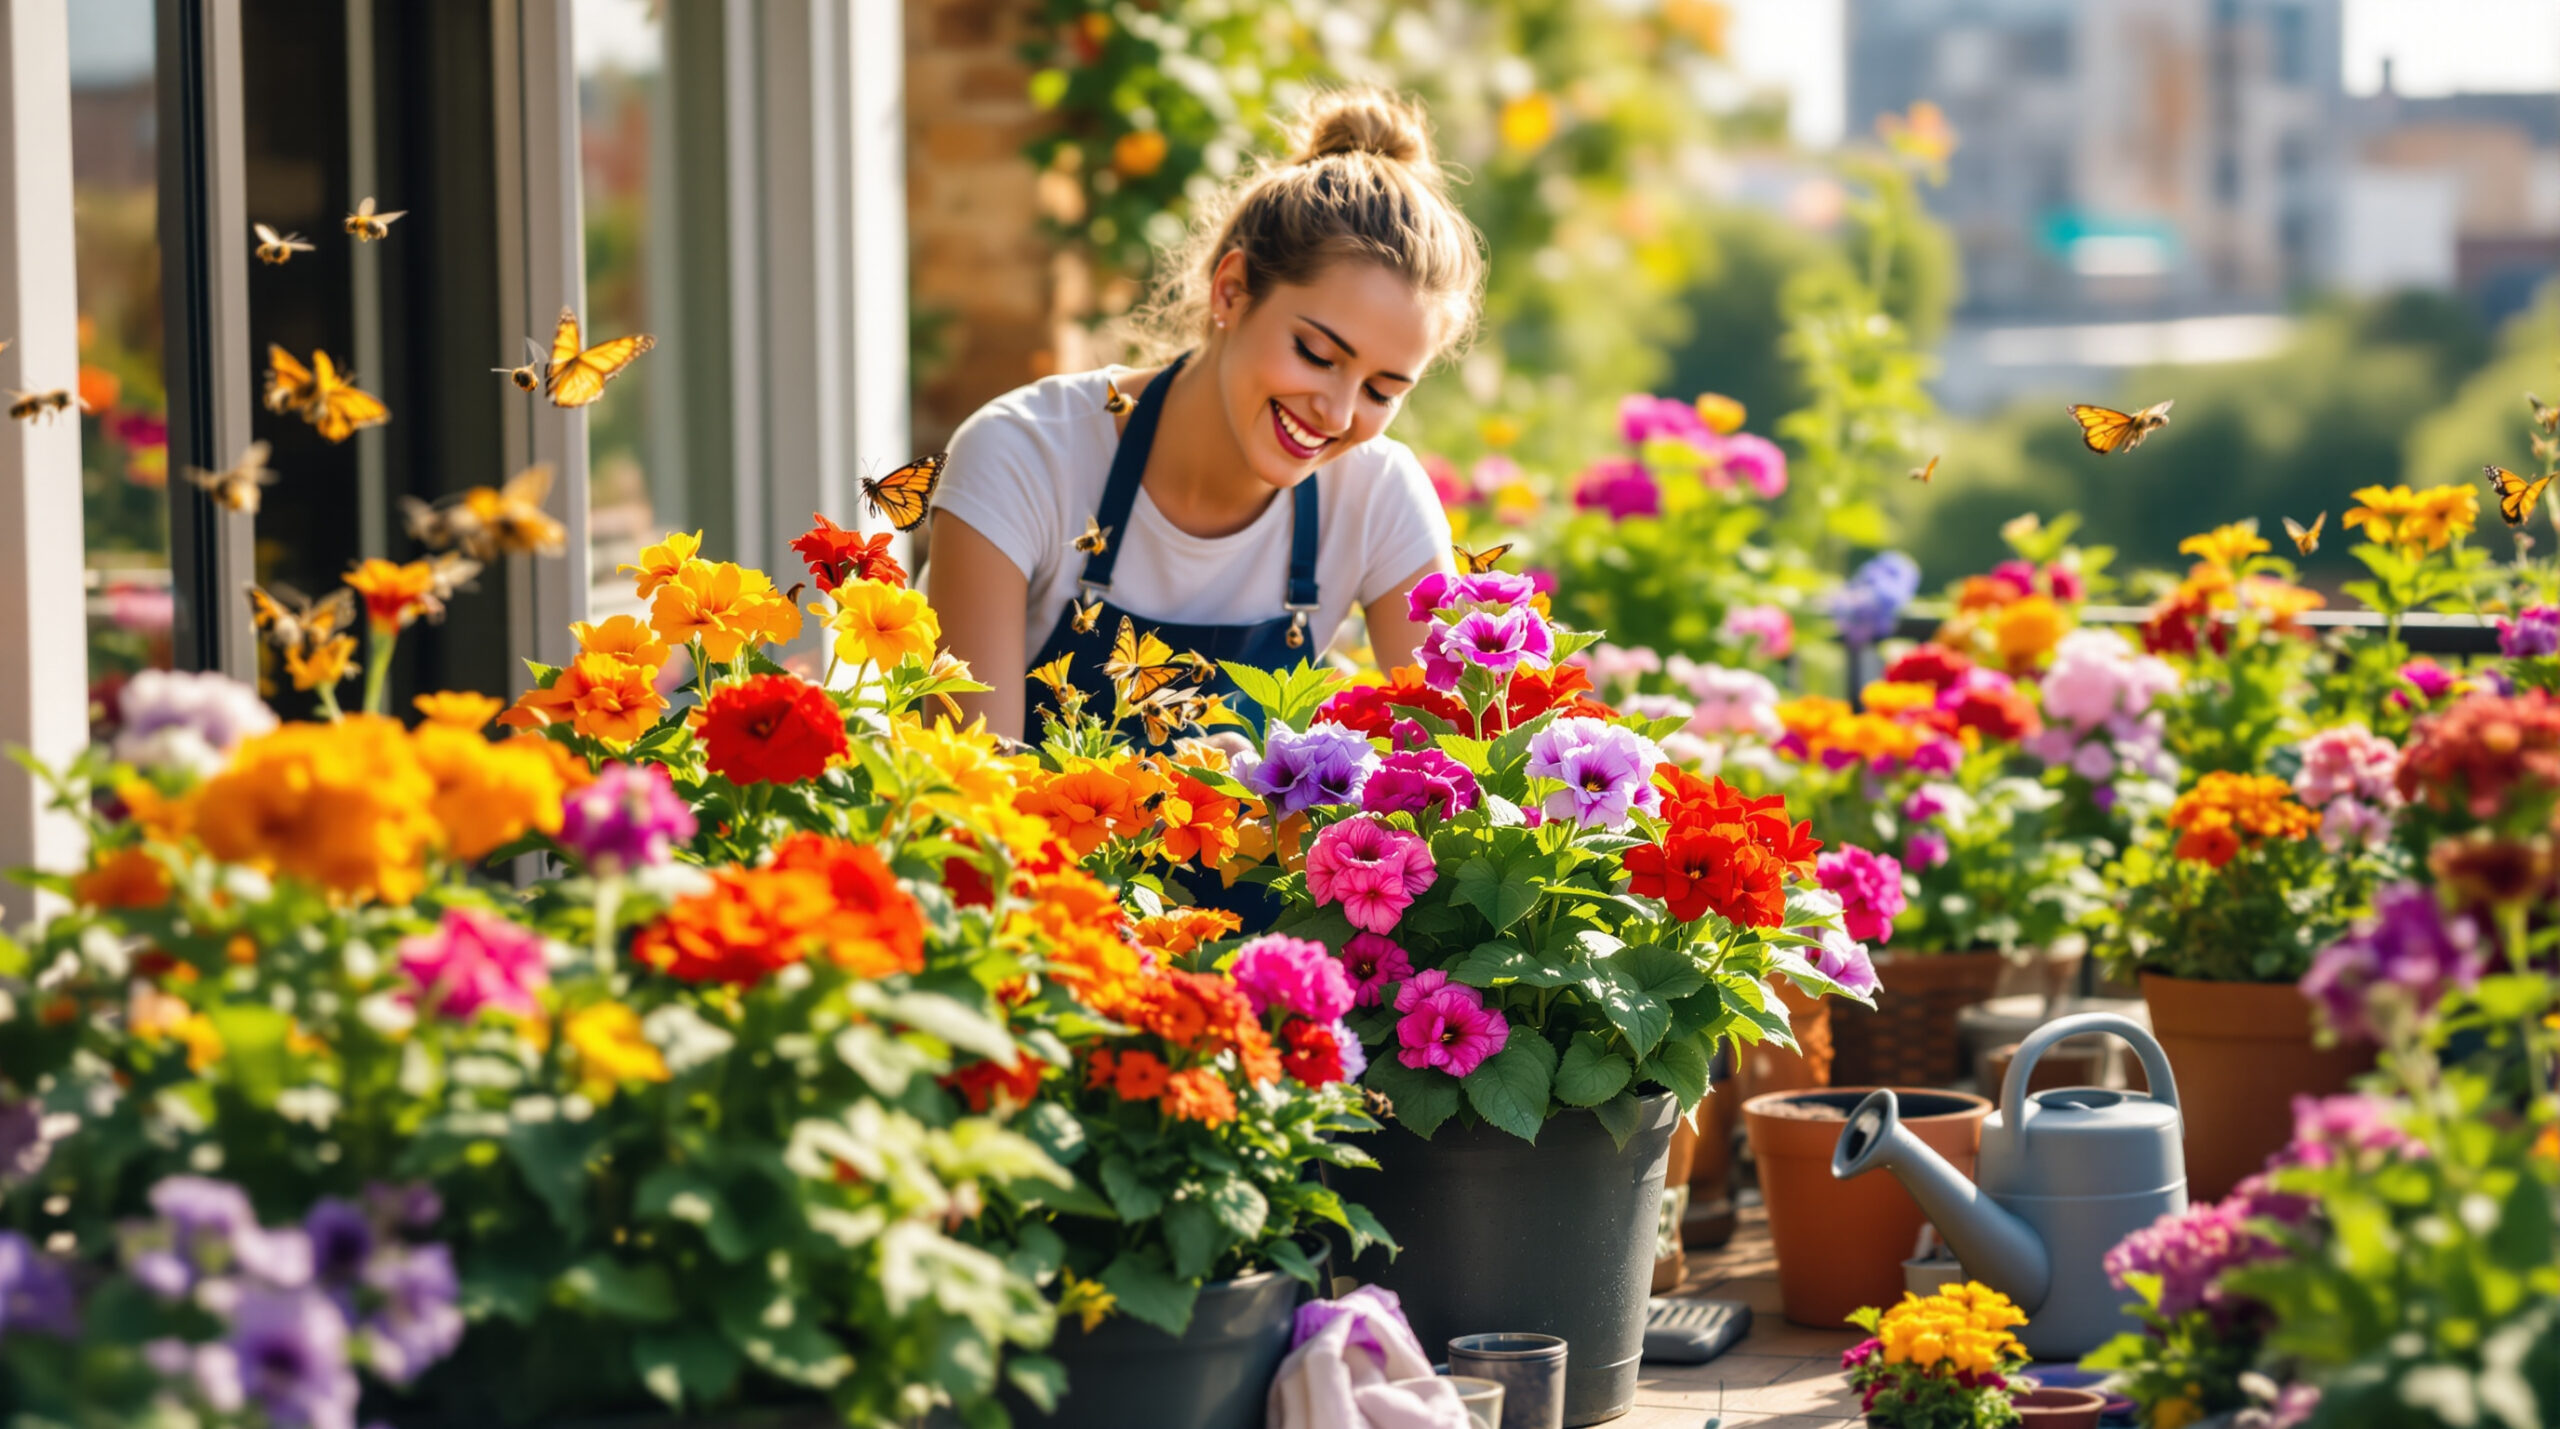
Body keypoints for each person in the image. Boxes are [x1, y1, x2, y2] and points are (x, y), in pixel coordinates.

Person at [926, 86, 1486, 743]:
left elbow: (1455, 766)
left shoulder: (1376, 495)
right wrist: (1181, 785)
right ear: (1231, 292)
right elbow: (967, 781)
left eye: (1382, 392)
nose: (1338, 414)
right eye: (1316, 354)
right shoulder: (1024, 455)